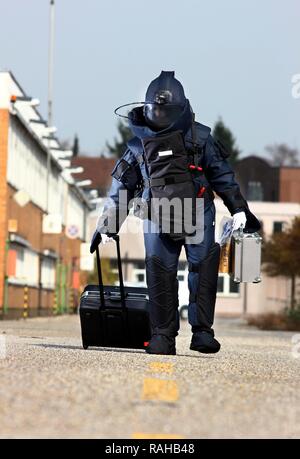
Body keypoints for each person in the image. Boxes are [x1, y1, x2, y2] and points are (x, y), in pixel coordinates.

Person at [90, 71, 260, 355]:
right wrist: (108, 225)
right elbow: (121, 187)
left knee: (203, 270)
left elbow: (222, 176)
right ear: (146, 108)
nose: (159, 114)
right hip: (158, 215)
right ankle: (162, 336)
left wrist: (239, 208)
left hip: (198, 211)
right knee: (159, 272)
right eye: (155, 109)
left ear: (179, 109)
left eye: (165, 110)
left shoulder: (201, 138)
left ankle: (203, 333)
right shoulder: (137, 145)